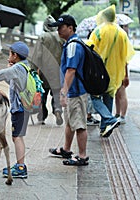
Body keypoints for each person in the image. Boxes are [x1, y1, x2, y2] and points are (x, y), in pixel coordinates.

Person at [0, 41, 30, 178]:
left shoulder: (17, 68)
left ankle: (21, 167)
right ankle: (20, 165)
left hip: (20, 109)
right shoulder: (24, 66)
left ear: (15, 55)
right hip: (22, 108)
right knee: (17, 136)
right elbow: (13, 84)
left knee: (17, 137)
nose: (8, 55)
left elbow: (1, 74)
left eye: (10, 53)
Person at [87, 5, 135, 137]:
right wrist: (125, 73)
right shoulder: (122, 33)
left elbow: (90, 50)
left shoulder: (98, 31)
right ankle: (104, 127)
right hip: (114, 74)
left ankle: (109, 119)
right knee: (108, 97)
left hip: (99, 72)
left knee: (95, 97)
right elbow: (126, 55)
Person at [48, 15, 89, 166]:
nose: (58, 30)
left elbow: (71, 70)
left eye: (61, 27)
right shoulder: (70, 43)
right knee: (70, 122)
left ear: (70, 28)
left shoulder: (73, 45)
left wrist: (63, 92)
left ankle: (82, 156)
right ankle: (66, 149)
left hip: (76, 92)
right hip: (73, 91)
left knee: (78, 124)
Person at [31, 15, 64, 125]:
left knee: (43, 94)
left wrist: (33, 70)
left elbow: (37, 55)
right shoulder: (60, 37)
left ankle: (42, 114)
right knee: (56, 94)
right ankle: (57, 110)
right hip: (58, 71)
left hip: (44, 72)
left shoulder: (43, 37)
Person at [114, 23, 132, 124]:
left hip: (120, 72)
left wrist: (126, 75)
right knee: (117, 94)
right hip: (116, 72)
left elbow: (125, 61)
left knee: (121, 93)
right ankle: (117, 113)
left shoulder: (122, 41)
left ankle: (122, 115)